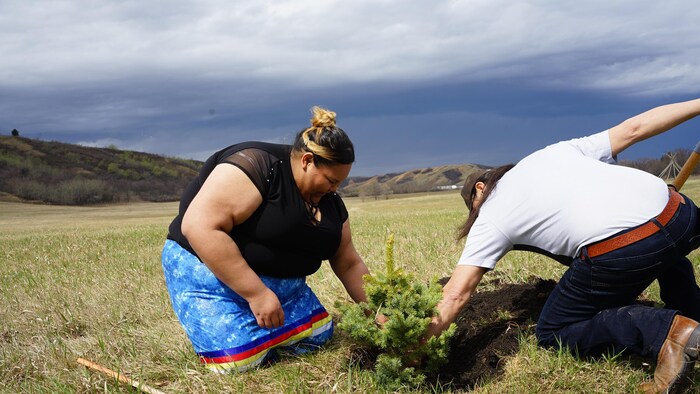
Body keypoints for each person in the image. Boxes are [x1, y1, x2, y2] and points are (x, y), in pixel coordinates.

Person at [426, 98, 700, 393]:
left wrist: (415, 345)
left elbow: (455, 294)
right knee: (666, 256)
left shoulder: (490, 212)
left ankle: (670, 333)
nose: (475, 214)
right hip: (682, 214)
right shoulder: (554, 153)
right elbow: (634, 128)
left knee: (553, 331)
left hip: (633, 245)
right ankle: (694, 315)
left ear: (480, 188)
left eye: (472, 207)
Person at [161, 106, 371, 373]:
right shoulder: (258, 166)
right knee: (238, 362)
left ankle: (270, 337)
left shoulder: (329, 201)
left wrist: (378, 311)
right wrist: (256, 294)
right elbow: (200, 227)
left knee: (319, 335)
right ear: (307, 161)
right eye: (331, 180)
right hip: (212, 277)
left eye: (339, 183)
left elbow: (348, 261)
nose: (334, 190)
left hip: (281, 291)